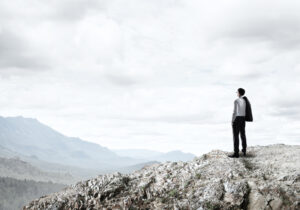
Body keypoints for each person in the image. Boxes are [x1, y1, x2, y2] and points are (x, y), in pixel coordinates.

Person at [228, 88, 253, 158]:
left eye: (237, 92)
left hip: (237, 119)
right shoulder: (245, 100)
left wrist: (232, 120)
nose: (237, 93)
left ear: (239, 93)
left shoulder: (236, 101)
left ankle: (236, 153)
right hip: (243, 119)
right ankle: (244, 150)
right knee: (243, 135)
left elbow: (235, 112)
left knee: (236, 136)